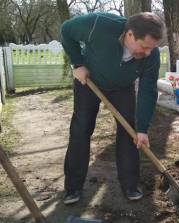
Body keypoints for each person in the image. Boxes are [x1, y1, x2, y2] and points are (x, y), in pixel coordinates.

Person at [60, 12, 164, 204]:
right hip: (89, 81)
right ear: (130, 34)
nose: (148, 52)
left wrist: (142, 129)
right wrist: (78, 63)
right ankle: (73, 188)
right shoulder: (100, 25)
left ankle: (130, 185)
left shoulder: (152, 55)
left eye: (152, 48)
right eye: (144, 47)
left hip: (122, 88)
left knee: (130, 132)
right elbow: (66, 30)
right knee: (81, 129)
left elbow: (148, 91)